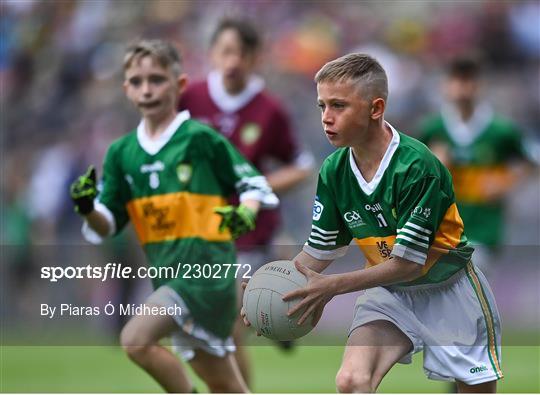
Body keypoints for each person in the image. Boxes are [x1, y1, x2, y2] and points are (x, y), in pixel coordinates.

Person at [244, 53, 503, 392]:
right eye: (322, 106)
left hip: (448, 290)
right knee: (351, 381)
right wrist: (269, 293)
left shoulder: (416, 166)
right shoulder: (334, 170)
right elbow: (318, 252)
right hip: (389, 294)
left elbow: (408, 264)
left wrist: (331, 287)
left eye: (338, 106)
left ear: (375, 108)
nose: (326, 118)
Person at [70, 39, 279, 393]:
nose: (147, 89)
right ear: (126, 89)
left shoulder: (198, 138)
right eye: (137, 82)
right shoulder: (122, 153)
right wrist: (89, 209)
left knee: (136, 340)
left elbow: (253, 184)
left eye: (157, 79)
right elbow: (107, 223)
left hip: (206, 273)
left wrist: (247, 210)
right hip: (169, 275)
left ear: (179, 85)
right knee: (226, 386)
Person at [179, 18, 313, 385]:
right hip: (199, 230)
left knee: (228, 325)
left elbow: (301, 166)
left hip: (248, 230)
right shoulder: (190, 98)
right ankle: (276, 314)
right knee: (209, 326)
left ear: (256, 58)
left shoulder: (269, 109)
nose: (233, 61)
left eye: (241, 53)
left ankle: (272, 314)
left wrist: (256, 185)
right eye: (225, 51)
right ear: (211, 54)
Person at [419, 56, 534, 276]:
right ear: (445, 85)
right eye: (456, 79)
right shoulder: (432, 129)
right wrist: (434, 166)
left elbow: (529, 163)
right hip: (441, 227)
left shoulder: (501, 131)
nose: (462, 87)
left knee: (467, 280)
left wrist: (505, 183)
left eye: (469, 79)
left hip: (483, 227)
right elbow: (410, 174)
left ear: (481, 85)